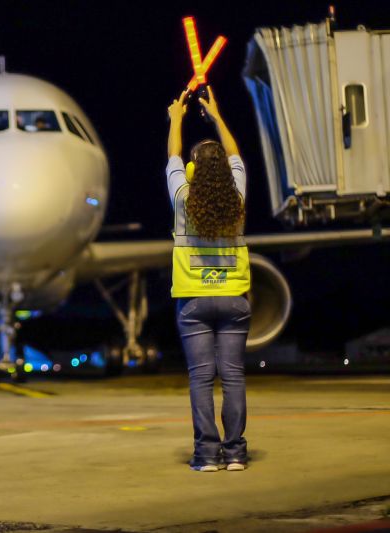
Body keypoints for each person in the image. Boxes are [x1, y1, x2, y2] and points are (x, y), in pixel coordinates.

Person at [166, 86, 252, 472]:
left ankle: (206, 456)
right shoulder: (237, 196)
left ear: (194, 168)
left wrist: (176, 119)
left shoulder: (184, 197)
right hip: (234, 297)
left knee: (201, 379)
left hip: (194, 300)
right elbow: (235, 155)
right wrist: (217, 116)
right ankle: (235, 454)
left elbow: (172, 156)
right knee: (232, 377)